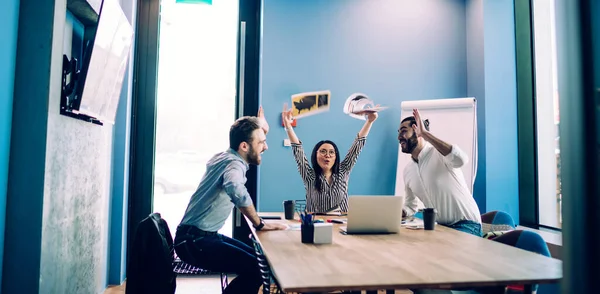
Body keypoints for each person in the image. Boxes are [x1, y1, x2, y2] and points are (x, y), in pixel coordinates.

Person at [174, 107, 287, 294]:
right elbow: (236, 189)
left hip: (197, 237)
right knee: (257, 269)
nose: (265, 147)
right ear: (244, 146)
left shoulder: (224, 157)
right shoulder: (234, 165)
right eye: (262, 142)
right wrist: (259, 224)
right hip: (194, 242)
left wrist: (261, 128)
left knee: (260, 262)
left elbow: (248, 137)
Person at [281, 103, 378, 214]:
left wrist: (369, 121)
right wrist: (288, 126)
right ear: (315, 155)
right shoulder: (309, 175)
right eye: (323, 151)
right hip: (316, 224)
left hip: (342, 224)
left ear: (335, 157)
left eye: (331, 152)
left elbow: (357, 146)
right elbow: (298, 151)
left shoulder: (344, 170)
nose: (327, 155)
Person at [399, 108, 482, 236]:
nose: (399, 137)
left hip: (467, 224)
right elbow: (410, 206)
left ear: (417, 131)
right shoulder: (408, 171)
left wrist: (425, 134)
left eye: (404, 131)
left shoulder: (440, 153)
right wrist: (397, 212)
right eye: (399, 132)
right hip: (440, 228)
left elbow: (461, 159)